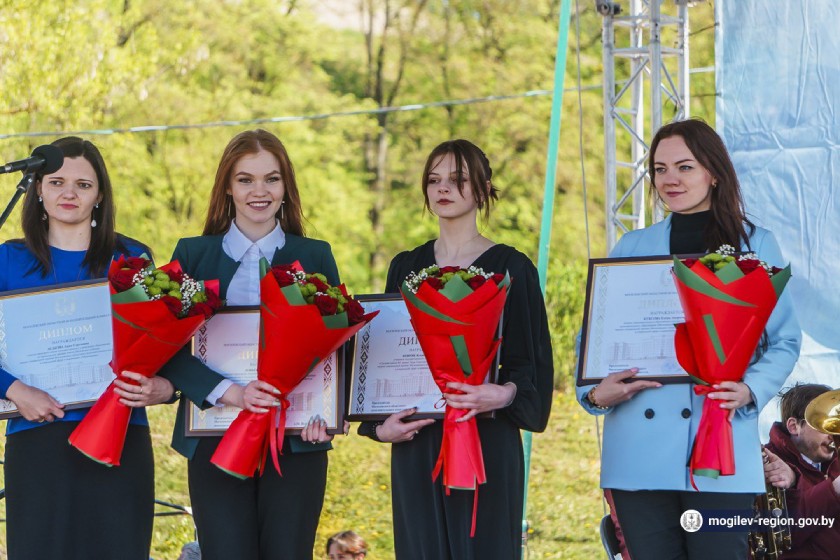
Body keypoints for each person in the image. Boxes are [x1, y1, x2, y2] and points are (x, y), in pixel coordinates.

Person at [575, 118, 802, 560]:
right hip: (636, 450)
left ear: (713, 172)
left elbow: (786, 340)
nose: (670, 180)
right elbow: (593, 339)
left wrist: (751, 388)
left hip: (718, 442)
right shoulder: (630, 247)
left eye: (684, 167)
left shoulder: (755, 245)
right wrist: (595, 393)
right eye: (660, 170)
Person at [359, 139, 554, 559]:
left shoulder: (511, 266)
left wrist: (502, 394)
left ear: (482, 188)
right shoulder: (405, 267)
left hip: (486, 439)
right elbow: (384, 358)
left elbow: (530, 364)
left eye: (457, 179)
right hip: (417, 441)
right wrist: (378, 428)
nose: (442, 188)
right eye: (434, 179)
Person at [151, 129, 336, 560]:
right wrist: (230, 392)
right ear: (228, 188)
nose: (260, 191)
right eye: (245, 179)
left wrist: (326, 413)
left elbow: (333, 347)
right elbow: (166, 346)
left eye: (271, 179)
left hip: (296, 439)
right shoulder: (193, 254)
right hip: (215, 431)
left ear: (286, 186)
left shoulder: (316, 255)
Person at [0, 137, 156, 559]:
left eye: (83, 185)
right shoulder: (8, 261)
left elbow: (158, 344)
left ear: (100, 194)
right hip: (36, 436)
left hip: (121, 435)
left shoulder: (131, 257)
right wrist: (15, 390)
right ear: (37, 189)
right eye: (56, 181)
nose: (69, 193)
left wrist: (158, 385)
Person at [762, 383, 840, 559]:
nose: (833, 433)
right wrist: (833, 490)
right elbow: (783, 536)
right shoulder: (769, 464)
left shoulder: (833, 459)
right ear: (793, 426)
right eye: (824, 424)